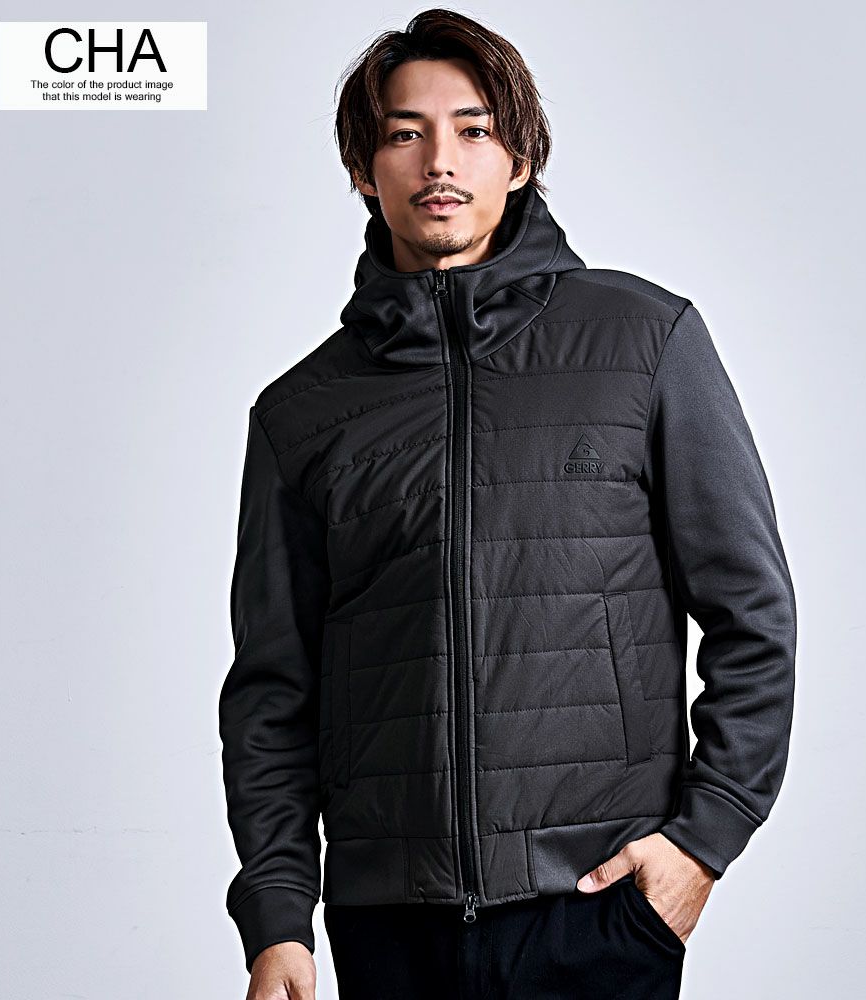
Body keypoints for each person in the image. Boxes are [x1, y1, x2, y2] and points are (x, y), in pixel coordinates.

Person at [218, 8, 797, 999]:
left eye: (474, 129)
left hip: (595, 906)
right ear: (364, 170)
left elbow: (753, 612)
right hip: (388, 925)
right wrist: (278, 919)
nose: (439, 160)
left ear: (520, 158)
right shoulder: (301, 413)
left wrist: (702, 843)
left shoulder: (644, 341)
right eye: (404, 133)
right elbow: (273, 691)